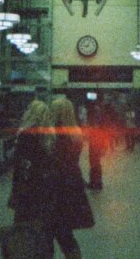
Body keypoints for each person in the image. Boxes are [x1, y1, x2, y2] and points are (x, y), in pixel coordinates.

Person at [48, 97, 95, 259]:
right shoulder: (76, 132)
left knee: (49, 230)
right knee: (64, 231)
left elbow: (54, 161)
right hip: (71, 184)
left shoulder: (55, 134)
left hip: (54, 186)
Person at [7, 100, 55, 256]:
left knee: (23, 233)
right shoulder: (49, 138)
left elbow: (22, 168)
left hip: (26, 194)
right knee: (43, 234)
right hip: (45, 194)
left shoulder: (26, 136)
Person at [85, 101, 105, 190]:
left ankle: (95, 182)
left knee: (94, 161)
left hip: (95, 140)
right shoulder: (98, 111)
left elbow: (95, 126)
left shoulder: (94, 112)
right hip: (97, 140)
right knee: (96, 161)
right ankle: (97, 182)